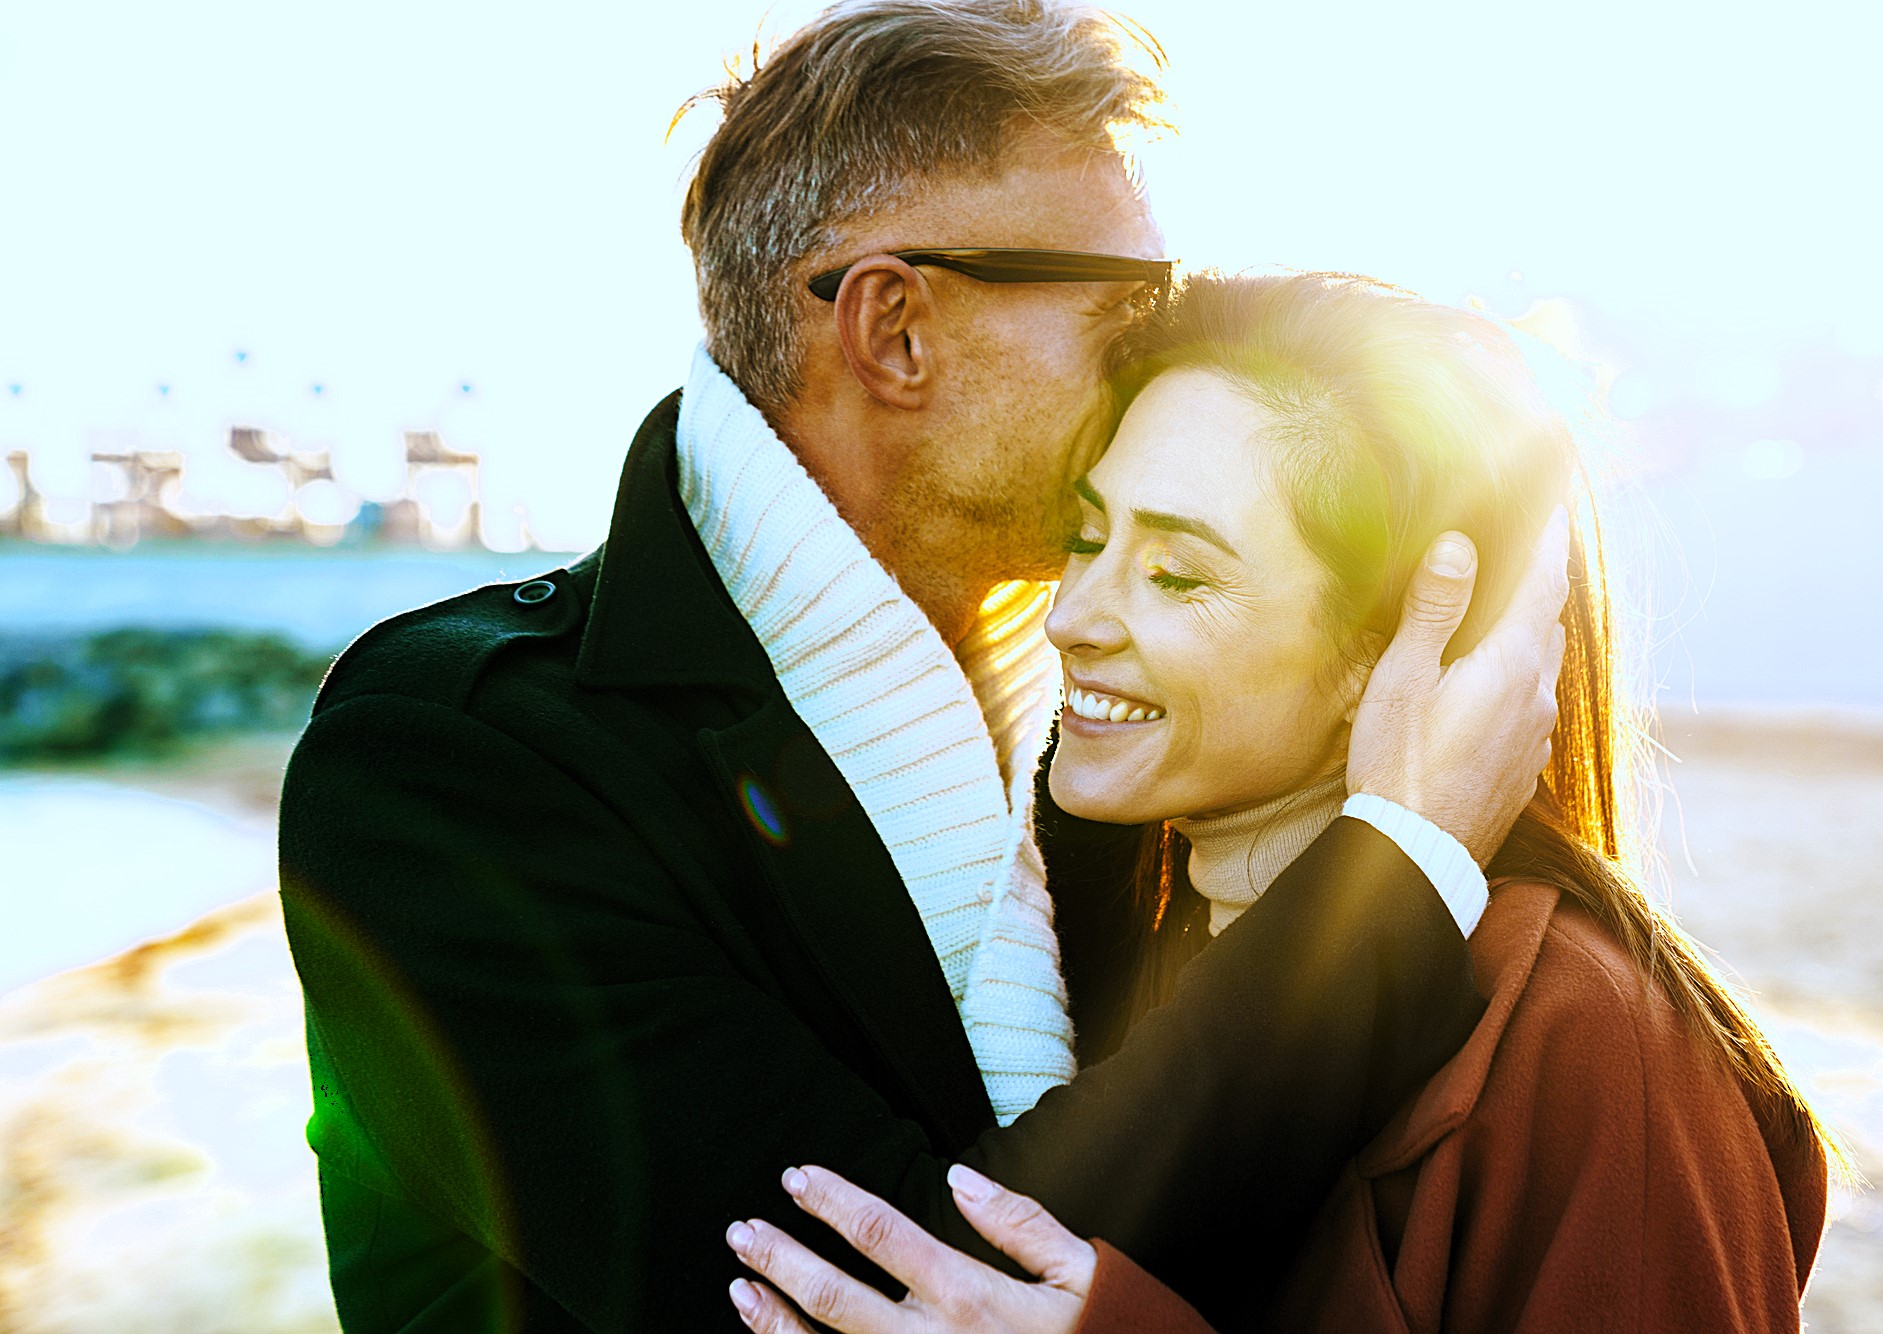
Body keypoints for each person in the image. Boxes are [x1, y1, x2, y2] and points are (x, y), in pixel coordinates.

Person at [276, 5, 1566, 1330]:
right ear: (895, 329)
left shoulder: (1098, 734)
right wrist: (1397, 871)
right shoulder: (454, 765)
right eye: (1130, 312)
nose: (1166, 361)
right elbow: (922, 1284)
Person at [721, 274, 1839, 1333]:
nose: (1070, 617)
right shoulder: (1103, 958)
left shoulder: (1582, 1039)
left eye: (1177, 574)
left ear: (1398, 648)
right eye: (1084, 535)